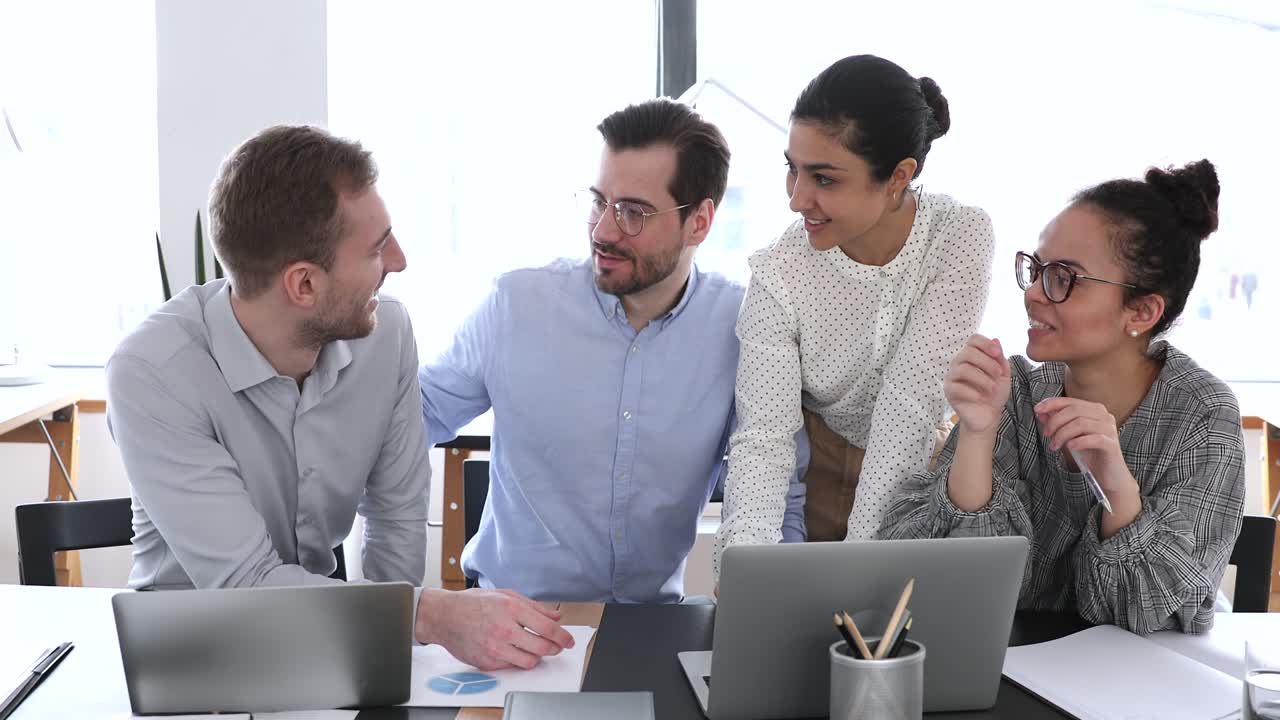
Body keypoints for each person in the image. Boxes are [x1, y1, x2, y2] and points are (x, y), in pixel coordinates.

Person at [106, 125, 572, 670]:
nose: (398, 261)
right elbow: (244, 582)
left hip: (334, 638)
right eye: (377, 248)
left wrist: (388, 652)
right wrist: (432, 616)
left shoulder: (388, 333)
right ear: (303, 285)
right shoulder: (152, 374)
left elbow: (396, 512)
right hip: (197, 652)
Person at [420, 98, 806, 603]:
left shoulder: (746, 330)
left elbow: (780, 492)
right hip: (512, 617)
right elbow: (415, 417)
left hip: (653, 625)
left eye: (633, 213)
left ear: (700, 222)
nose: (603, 230)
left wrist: (768, 595)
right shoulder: (516, 306)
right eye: (600, 201)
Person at [879, 160, 1245, 635]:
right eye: (1035, 270)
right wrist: (977, 432)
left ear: (1142, 310)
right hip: (1007, 677)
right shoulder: (1014, 394)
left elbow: (1156, 615)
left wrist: (1117, 490)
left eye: (1062, 277)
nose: (1033, 293)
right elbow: (953, 583)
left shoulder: (1202, 415)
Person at [714, 54, 995, 576]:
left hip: (923, 469)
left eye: (824, 178)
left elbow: (909, 406)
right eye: (792, 170)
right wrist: (742, 572)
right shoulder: (778, 275)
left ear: (898, 176)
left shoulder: (959, 237)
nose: (798, 200)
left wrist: (862, 572)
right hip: (816, 467)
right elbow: (763, 442)